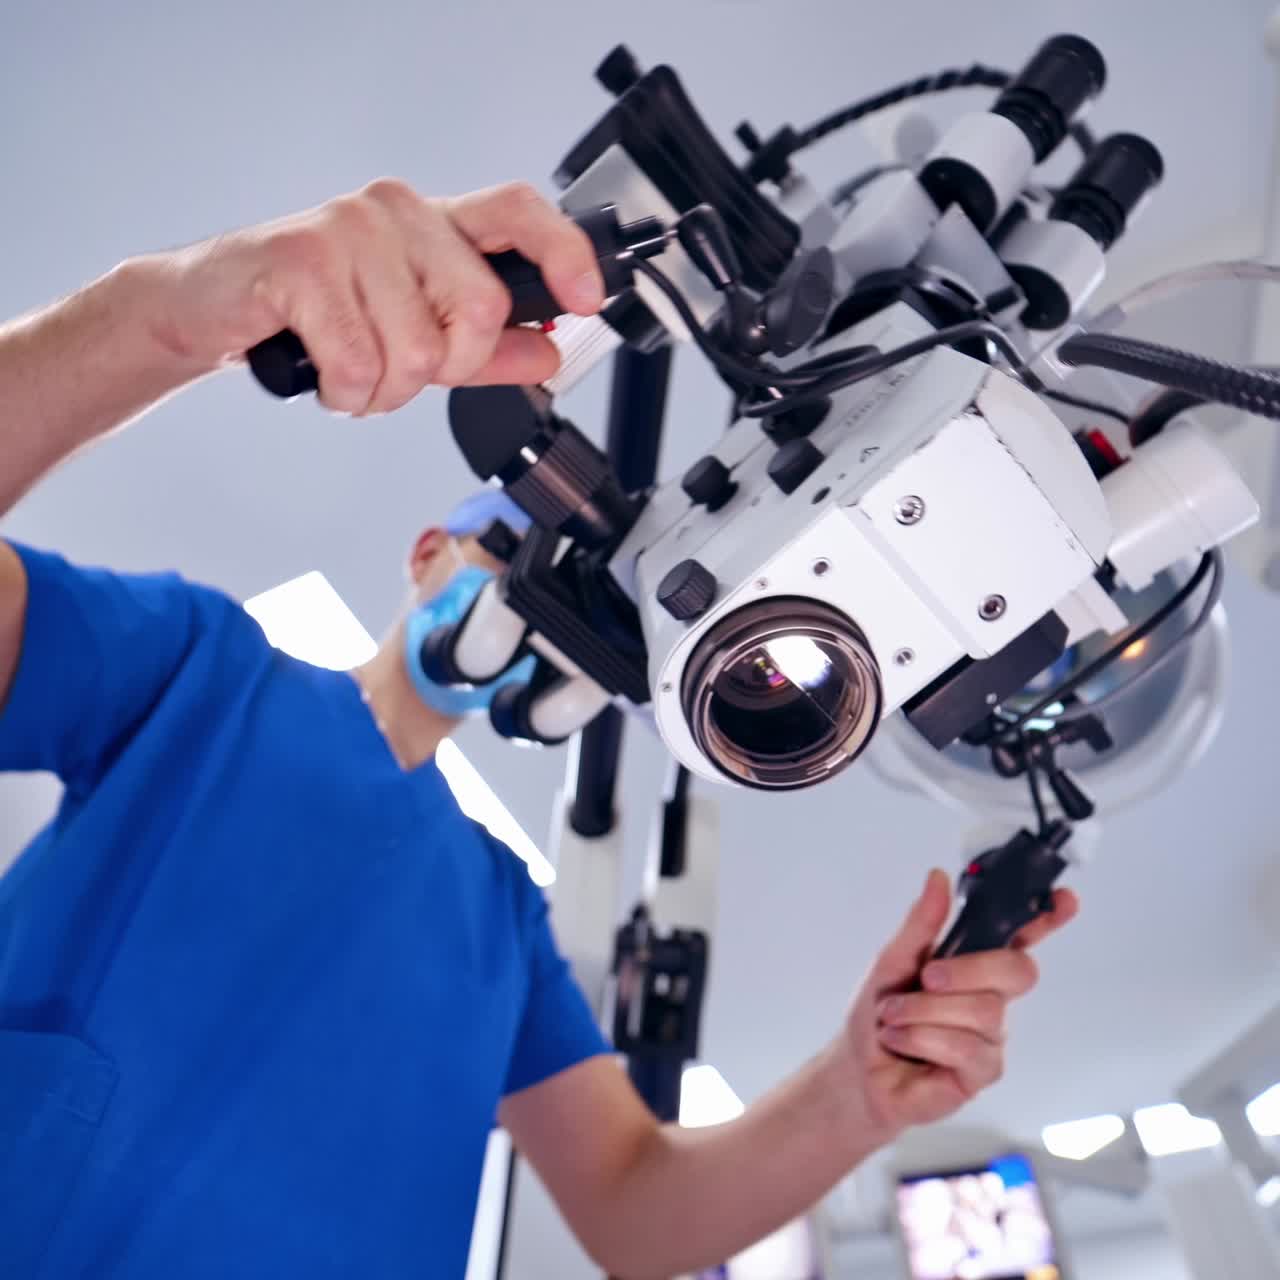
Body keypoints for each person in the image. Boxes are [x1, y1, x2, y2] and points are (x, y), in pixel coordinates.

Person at [0, 179, 1078, 1279]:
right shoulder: (209, 677)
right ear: (428, 552)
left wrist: (857, 1088)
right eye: (512, 562)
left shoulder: (501, 912)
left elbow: (638, 1215)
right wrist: (162, 315)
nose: (532, 623)